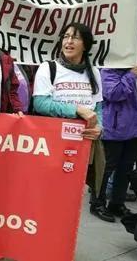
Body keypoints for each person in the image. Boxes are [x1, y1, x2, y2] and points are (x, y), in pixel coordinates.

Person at [32, 23, 105, 220]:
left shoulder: (94, 73)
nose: (69, 41)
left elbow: (98, 107)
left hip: (81, 145)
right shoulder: (49, 68)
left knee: (72, 200)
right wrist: (76, 110)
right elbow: (40, 103)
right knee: (46, 196)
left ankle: (62, 245)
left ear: (86, 45)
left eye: (75, 37)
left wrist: (99, 128)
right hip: (53, 143)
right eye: (65, 37)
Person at [95, 34, 137, 220]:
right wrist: (131, 75)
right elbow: (114, 93)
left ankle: (117, 204)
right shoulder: (109, 68)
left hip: (133, 128)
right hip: (114, 128)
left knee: (126, 169)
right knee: (107, 168)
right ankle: (97, 203)